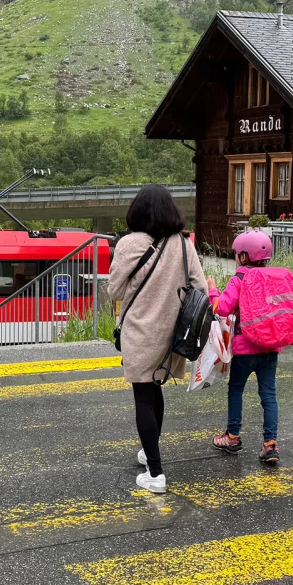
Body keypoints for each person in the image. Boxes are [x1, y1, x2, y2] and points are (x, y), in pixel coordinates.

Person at [108, 184, 205, 495]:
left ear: (137, 211)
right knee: (155, 389)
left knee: (143, 396)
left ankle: (156, 473)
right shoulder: (183, 243)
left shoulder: (129, 244)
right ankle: (149, 454)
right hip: (173, 333)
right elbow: (200, 288)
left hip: (140, 331)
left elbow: (114, 291)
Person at [206, 231, 292, 465]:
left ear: (244, 257)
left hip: (245, 348)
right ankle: (270, 445)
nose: (236, 257)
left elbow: (222, 308)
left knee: (236, 390)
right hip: (271, 346)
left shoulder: (240, 279)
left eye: (237, 254)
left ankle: (232, 436)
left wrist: (212, 290)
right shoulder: (273, 277)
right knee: (269, 395)